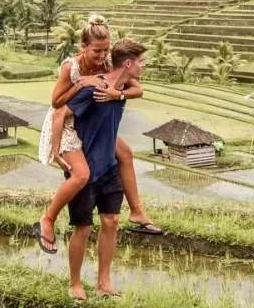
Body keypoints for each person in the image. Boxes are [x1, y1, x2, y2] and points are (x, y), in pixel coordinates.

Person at [34, 15, 160, 255]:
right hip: (68, 122)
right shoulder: (71, 67)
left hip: (88, 121)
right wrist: (81, 84)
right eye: (97, 51)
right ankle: (47, 219)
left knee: (125, 153)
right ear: (84, 47)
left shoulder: (108, 63)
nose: (103, 56)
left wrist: (117, 95)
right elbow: (57, 104)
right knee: (81, 175)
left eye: (106, 50)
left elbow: (137, 88)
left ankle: (137, 210)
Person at [63, 38, 146, 300]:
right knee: (83, 228)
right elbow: (60, 113)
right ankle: (74, 283)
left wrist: (118, 93)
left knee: (111, 221)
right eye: (141, 62)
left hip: (110, 165)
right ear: (129, 63)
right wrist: (57, 150)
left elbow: (137, 90)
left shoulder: (121, 88)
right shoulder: (93, 88)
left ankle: (103, 282)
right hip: (86, 166)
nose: (143, 66)